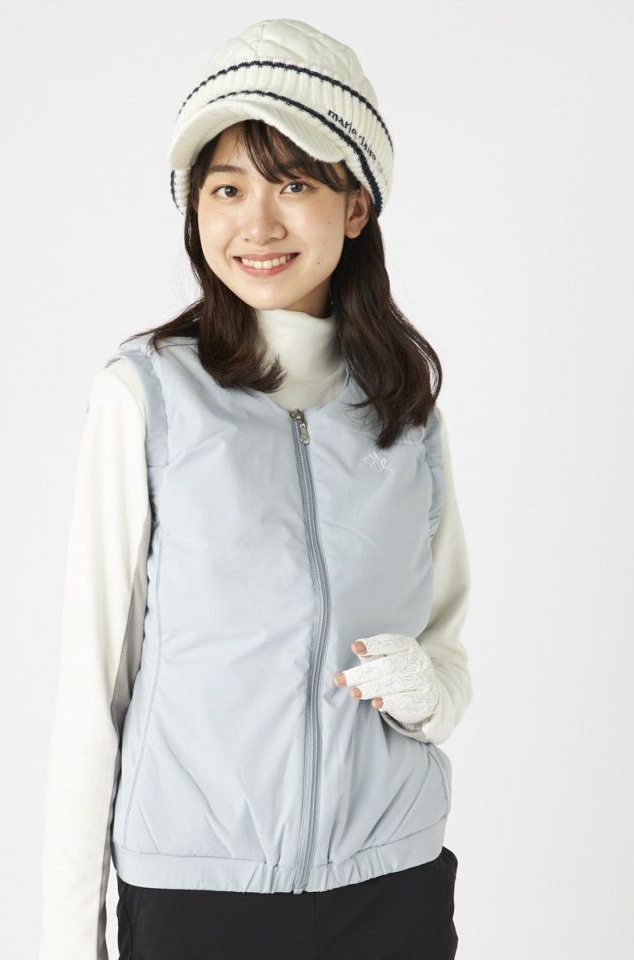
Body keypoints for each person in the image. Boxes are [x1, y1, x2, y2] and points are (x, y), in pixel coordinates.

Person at [39, 17, 472, 960]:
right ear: (195, 206)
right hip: (200, 896)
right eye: (227, 188)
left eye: (296, 183)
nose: (258, 224)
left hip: (391, 886)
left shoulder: (407, 413)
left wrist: (425, 690)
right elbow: (93, 690)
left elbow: (446, 661)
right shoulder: (147, 396)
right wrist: (70, 940)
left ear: (355, 206)